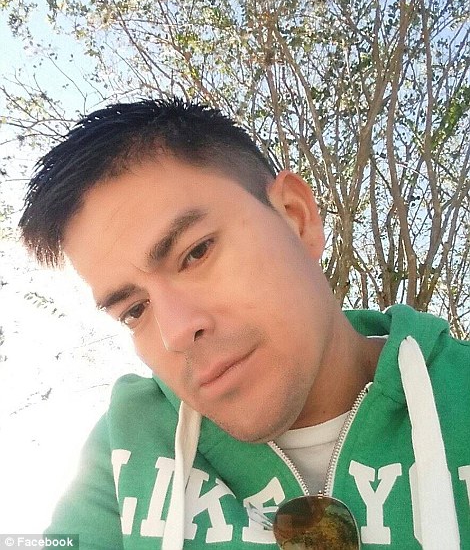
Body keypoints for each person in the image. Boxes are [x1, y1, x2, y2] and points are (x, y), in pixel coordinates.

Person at [19, 99, 469, 550]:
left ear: (296, 218)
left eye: (196, 253)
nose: (175, 333)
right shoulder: (124, 453)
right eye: (135, 310)